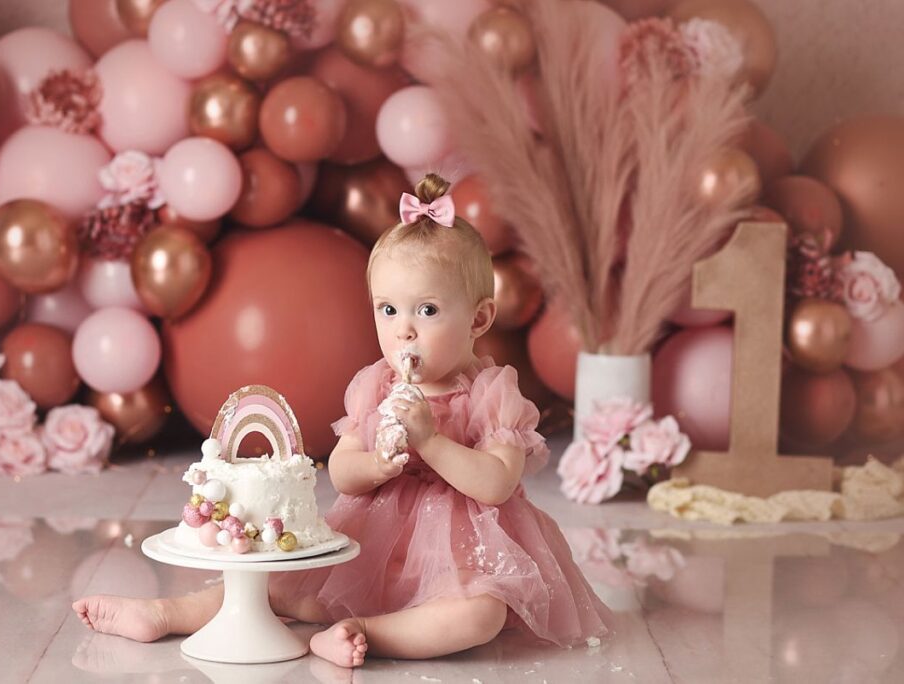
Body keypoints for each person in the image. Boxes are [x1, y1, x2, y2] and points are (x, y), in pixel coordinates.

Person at [73, 173, 613, 668]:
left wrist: (431, 439)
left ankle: (361, 632)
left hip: (462, 546)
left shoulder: (493, 393)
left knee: (481, 615)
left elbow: (497, 484)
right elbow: (343, 471)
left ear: (478, 318)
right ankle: (168, 614)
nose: (403, 330)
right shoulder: (378, 385)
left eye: (426, 311)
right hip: (379, 537)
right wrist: (377, 463)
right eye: (387, 309)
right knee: (287, 587)